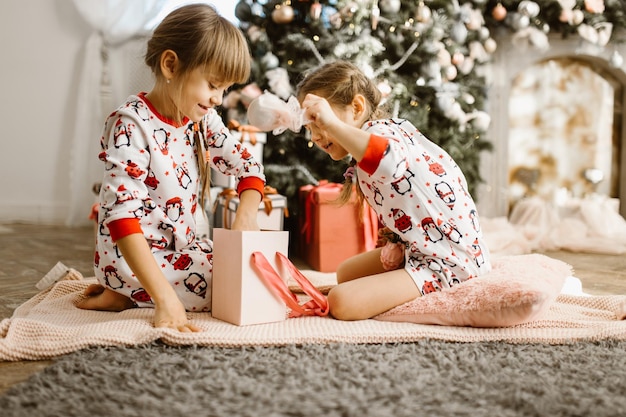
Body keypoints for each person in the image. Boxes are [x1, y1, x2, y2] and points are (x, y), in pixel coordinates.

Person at [77, 4, 265, 332]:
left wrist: (245, 217)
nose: (218, 99)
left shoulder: (202, 117)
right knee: (236, 284)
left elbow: (249, 166)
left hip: (181, 248)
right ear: (170, 65)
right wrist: (165, 299)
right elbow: (121, 216)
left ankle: (122, 293)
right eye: (213, 85)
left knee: (251, 268)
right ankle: (126, 287)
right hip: (132, 255)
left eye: (225, 90)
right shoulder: (131, 125)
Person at [296, 60, 492, 320]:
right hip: (420, 248)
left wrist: (331, 124)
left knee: (341, 301)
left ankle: (431, 286)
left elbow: (388, 162)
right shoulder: (381, 136)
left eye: (320, 122)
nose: (316, 137)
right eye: (311, 127)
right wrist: (396, 240)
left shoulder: (383, 136)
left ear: (356, 107)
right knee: (345, 273)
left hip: (448, 261)